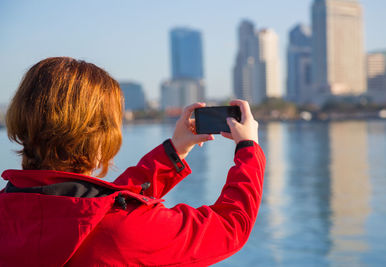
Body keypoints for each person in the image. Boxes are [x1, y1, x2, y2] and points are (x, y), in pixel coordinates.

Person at [0, 57, 266, 266]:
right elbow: (229, 227)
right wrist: (248, 148)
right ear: (102, 135)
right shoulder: (124, 232)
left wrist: (173, 153)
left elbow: (91, 209)